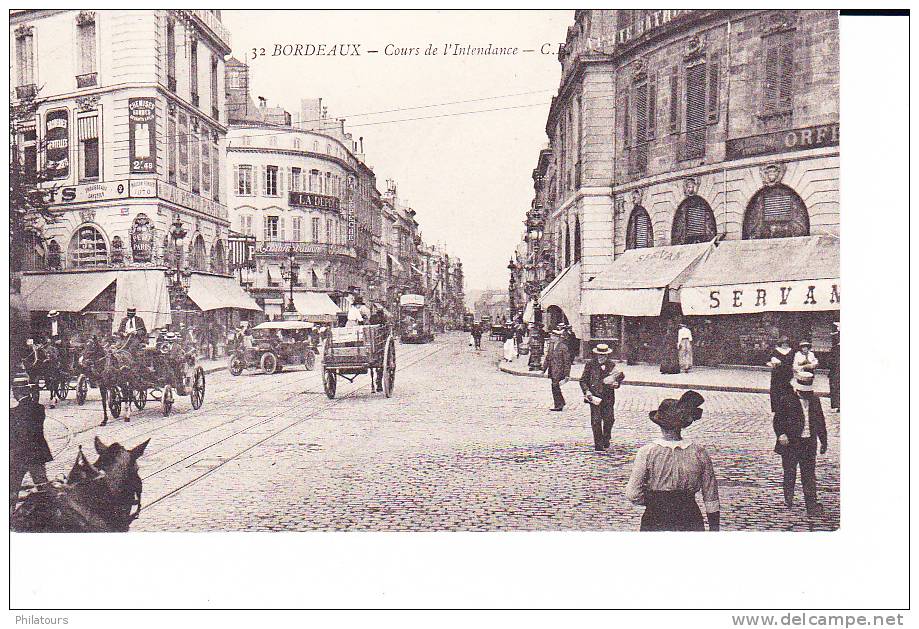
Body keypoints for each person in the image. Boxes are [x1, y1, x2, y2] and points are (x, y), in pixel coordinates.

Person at [625, 390, 720, 531]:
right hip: (690, 516)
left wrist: (654, 502)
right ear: (682, 425)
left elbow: (633, 493)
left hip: (656, 516)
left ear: (659, 424)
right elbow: (711, 495)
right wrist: (714, 529)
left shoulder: (647, 452)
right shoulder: (699, 453)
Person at [774, 370, 828, 516]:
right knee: (790, 472)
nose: (806, 395)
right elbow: (778, 421)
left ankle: (811, 505)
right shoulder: (786, 400)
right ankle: (789, 497)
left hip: (808, 444)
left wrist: (823, 441)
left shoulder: (815, 401)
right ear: (797, 389)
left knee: (809, 475)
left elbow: (820, 421)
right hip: (791, 444)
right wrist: (781, 434)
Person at [10, 372, 52, 511]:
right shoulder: (39, 409)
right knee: (43, 487)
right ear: (28, 390)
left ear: (15, 392)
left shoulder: (12, 413)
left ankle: (9, 515)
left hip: (18, 456)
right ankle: (49, 513)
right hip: (37, 454)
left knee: (12, 489)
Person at [579, 343, 625, 451]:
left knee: (609, 419)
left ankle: (606, 437)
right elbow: (583, 380)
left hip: (608, 397)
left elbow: (618, 378)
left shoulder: (612, 365)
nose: (601, 357)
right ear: (596, 355)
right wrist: (587, 391)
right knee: (596, 421)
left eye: (604, 355)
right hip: (594, 396)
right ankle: (598, 445)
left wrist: (617, 384)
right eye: (599, 355)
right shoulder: (590, 364)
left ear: (607, 355)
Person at [542, 327, 572, 411]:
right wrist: (543, 369)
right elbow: (548, 357)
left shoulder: (563, 347)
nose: (551, 338)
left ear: (558, 337)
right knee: (554, 387)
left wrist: (567, 374)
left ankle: (559, 405)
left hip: (560, 370)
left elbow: (567, 362)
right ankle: (560, 402)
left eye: (553, 336)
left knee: (555, 386)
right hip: (552, 370)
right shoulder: (551, 346)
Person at [767, 336, 796, 415]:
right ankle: (777, 407)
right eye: (783, 343)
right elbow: (768, 360)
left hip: (787, 373)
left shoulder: (791, 351)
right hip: (777, 373)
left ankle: (787, 407)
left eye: (786, 343)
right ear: (780, 344)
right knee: (776, 389)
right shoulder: (776, 351)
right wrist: (773, 362)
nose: (785, 345)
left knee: (787, 389)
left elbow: (793, 361)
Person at [828, 323, 840, 411]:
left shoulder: (836, 348)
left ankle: (837, 405)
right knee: (835, 387)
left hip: (837, 371)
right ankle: (836, 405)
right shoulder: (834, 348)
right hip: (835, 371)